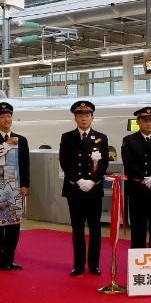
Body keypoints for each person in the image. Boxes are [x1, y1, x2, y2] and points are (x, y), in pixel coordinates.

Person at [59, 101, 109, 276]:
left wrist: (93, 181)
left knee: (95, 228)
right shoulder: (67, 137)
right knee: (77, 229)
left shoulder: (101, 138)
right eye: (80, 115)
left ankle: (94, 264)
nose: (83, 118)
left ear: (92, 117)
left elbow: (103, 164)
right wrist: (78, 181)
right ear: (75, 118)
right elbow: (64, 162)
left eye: (87, 115)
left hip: (94, 190)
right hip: (75, 189)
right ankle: (78, 265)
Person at [0, 102, 30, 271]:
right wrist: (5, 146)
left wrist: (25, 184)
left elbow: (25, 164)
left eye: (9, 116)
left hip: (15, 188)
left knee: (13, 225)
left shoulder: (21, 139)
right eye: (2, 117)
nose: (7, 119)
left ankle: (9, 258)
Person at [120, 106, 151, 249]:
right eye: (145, 120)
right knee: (138, 228)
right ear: (138, 122)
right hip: (137, 190)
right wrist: (145, 178)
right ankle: (138, 261)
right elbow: (129, 164)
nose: (148, 123)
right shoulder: (129, 140)